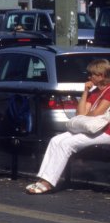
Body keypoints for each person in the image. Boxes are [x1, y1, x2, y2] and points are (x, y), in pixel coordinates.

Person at [25, 58, 110, 194]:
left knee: (67, 144)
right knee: (56, 140)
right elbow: (80, 113)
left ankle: (48, 183)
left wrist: (88, 114)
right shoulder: (94, 92)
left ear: (101, 76)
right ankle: (42, 179)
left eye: (92, 74)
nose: (89, 77)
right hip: (91, 127)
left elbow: (97, 113)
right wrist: (85, 92)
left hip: (106, 131)